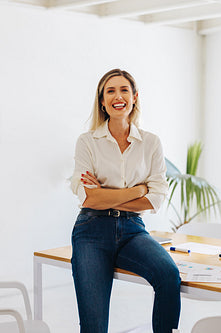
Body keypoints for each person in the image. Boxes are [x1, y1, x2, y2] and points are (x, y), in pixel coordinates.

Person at [70, 69, 181, 333]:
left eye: (124, 90)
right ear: (102, 101)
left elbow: (155, 199)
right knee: (94, 324)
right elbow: (88, 198)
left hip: (133, 230)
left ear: (134, 97)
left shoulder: (151, 143)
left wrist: (105, 196)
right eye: (110, 91)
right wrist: (136, 190)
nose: (117, 96)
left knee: (168, 275)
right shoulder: (87, 142)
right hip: (91, 232)